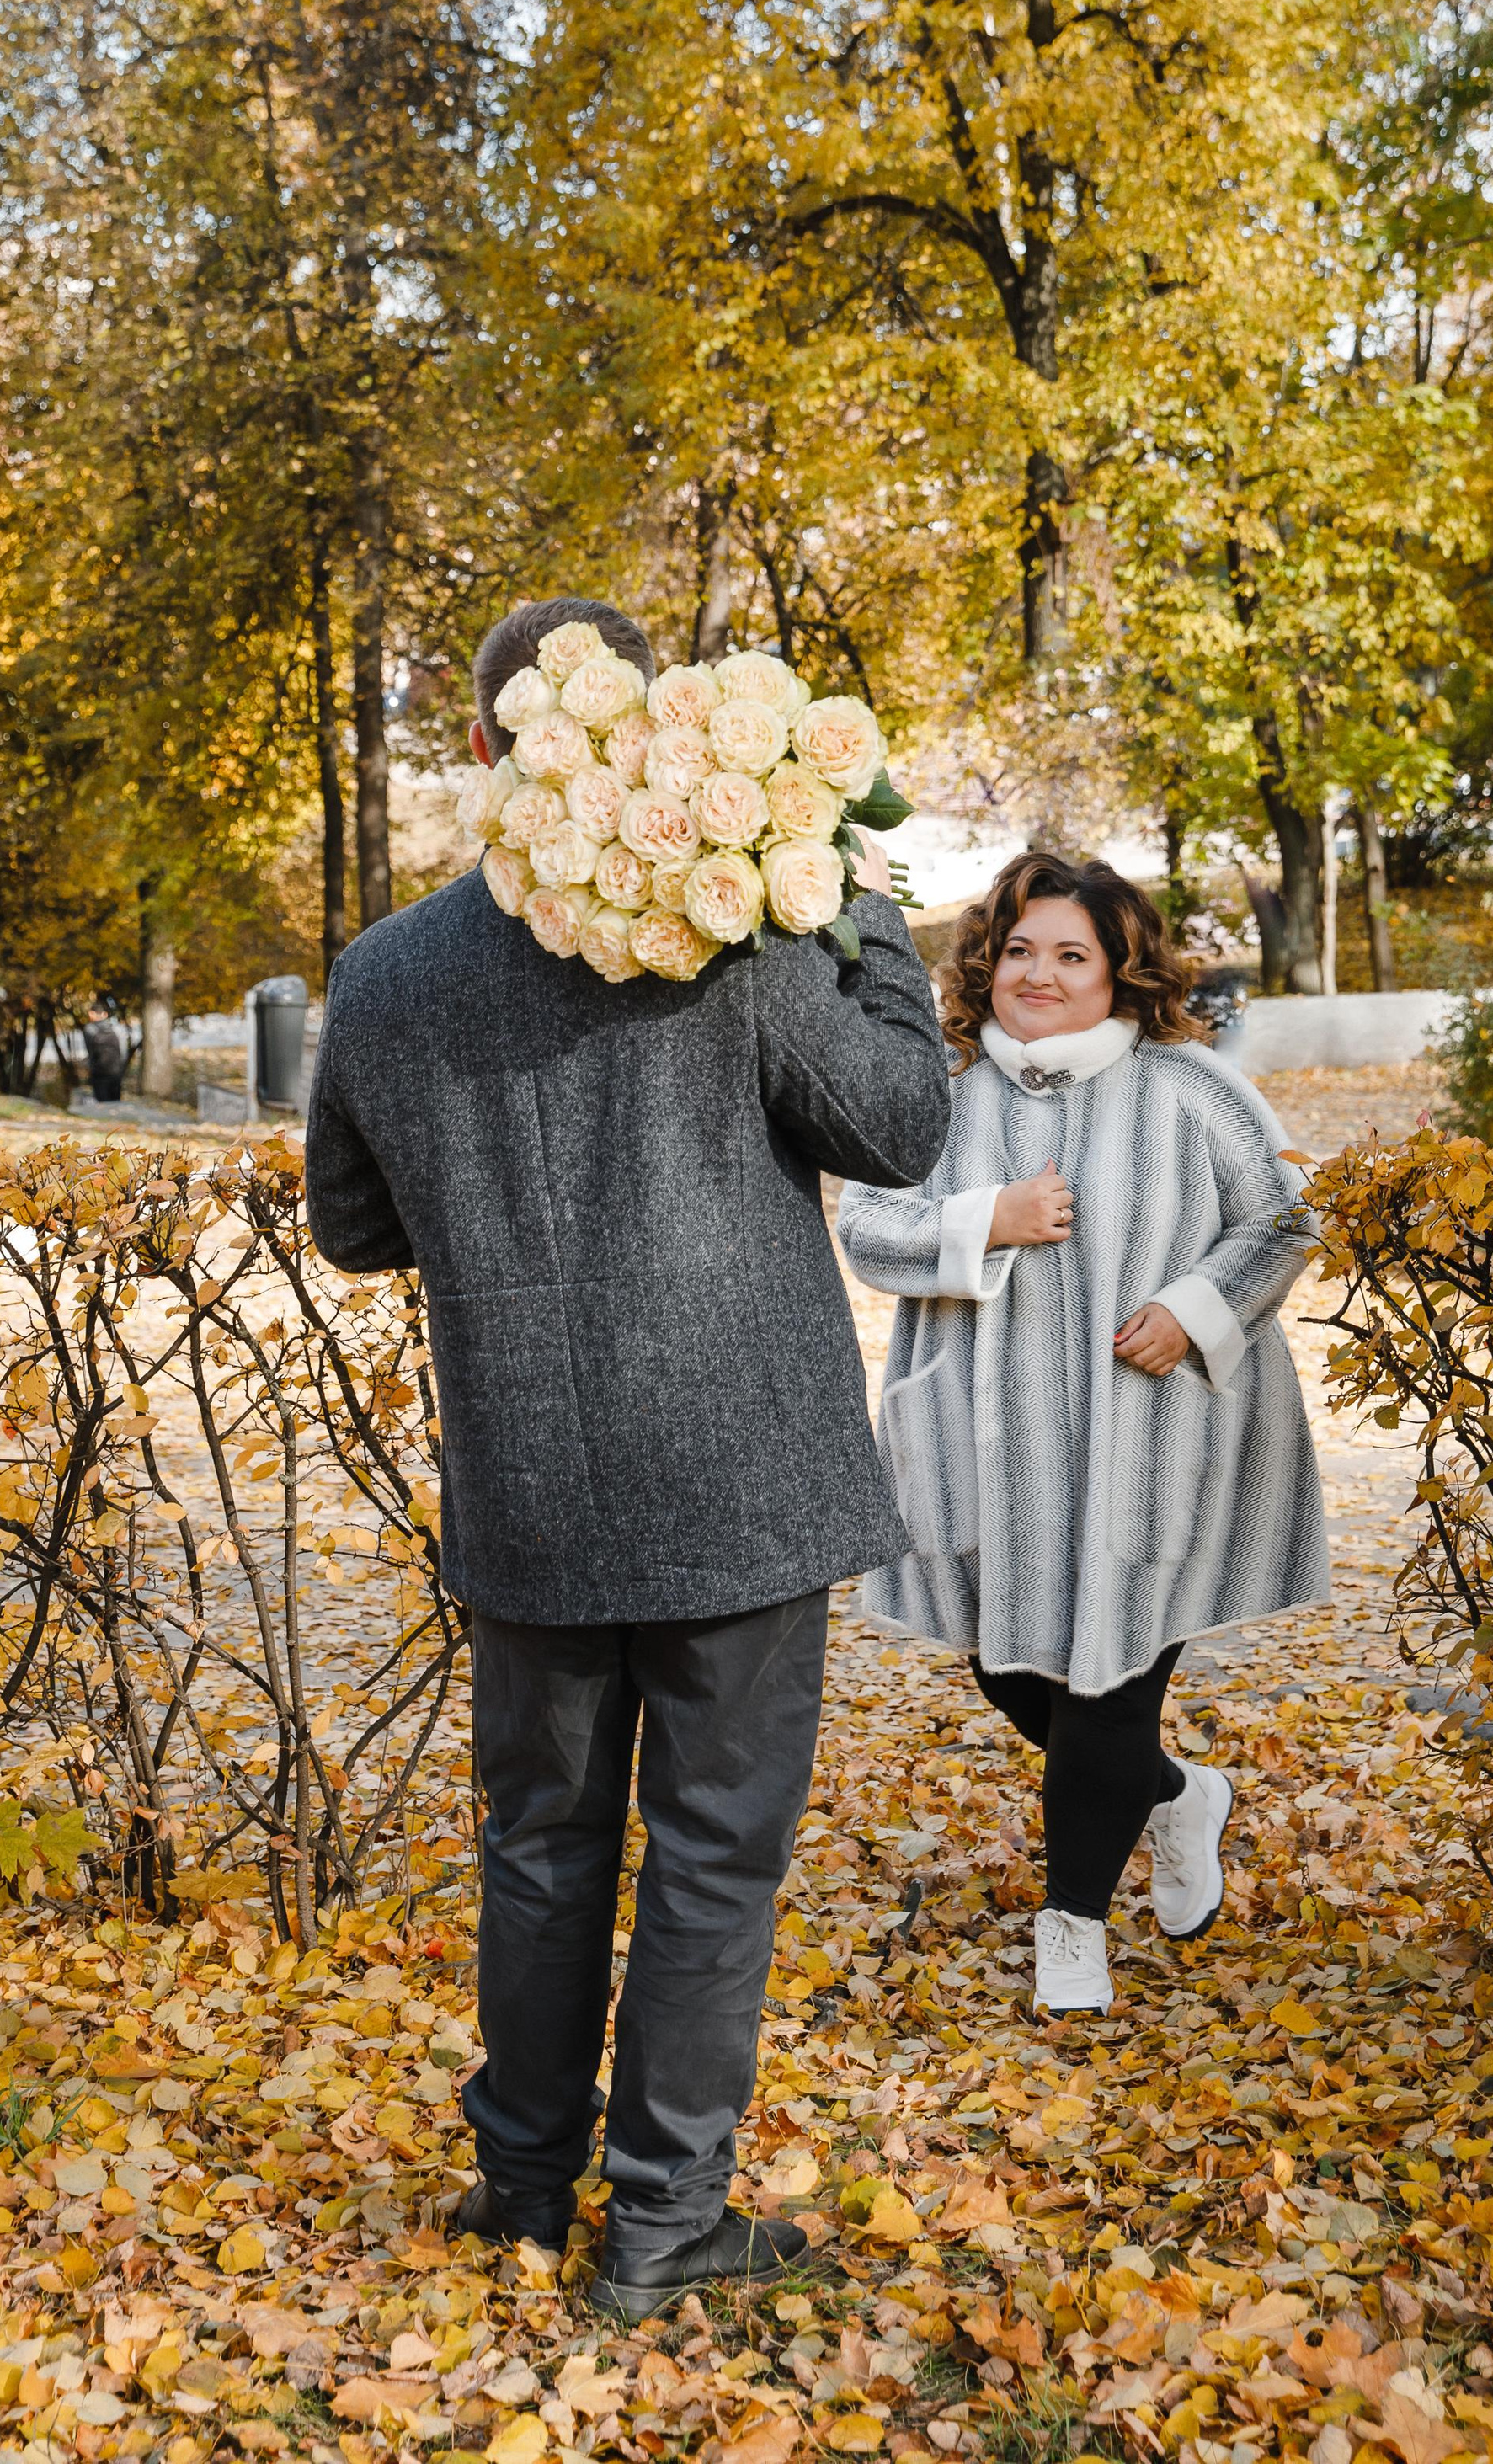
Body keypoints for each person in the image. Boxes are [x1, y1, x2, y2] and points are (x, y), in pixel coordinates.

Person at [303, 595, 951, 2320]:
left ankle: (519, 2191)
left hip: (530, 1476)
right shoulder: (736, 929)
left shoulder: (383, 974)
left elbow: (352, 1228)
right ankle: (661, 2226)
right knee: (715, 1853)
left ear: (474, 749)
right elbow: (895, 1128)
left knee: (538, 1844)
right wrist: (870, 916)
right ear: (659, 731)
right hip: (737, 1482)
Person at [838, 851, 1327, 2017]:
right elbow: (867, 1226)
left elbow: (1284, 1216)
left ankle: (1075, 1927)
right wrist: (987, 1220)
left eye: (1072, 955)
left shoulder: (1188, 1090)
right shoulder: (944, 1093)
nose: (1040, 976)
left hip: (1148, 1446)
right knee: (1006, 1663)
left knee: (1110, 1674)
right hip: (982, 1446)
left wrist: (1192, 1308)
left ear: (1121, 972)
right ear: (986, 963)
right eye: (1020, 952)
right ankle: (1174, 1793)